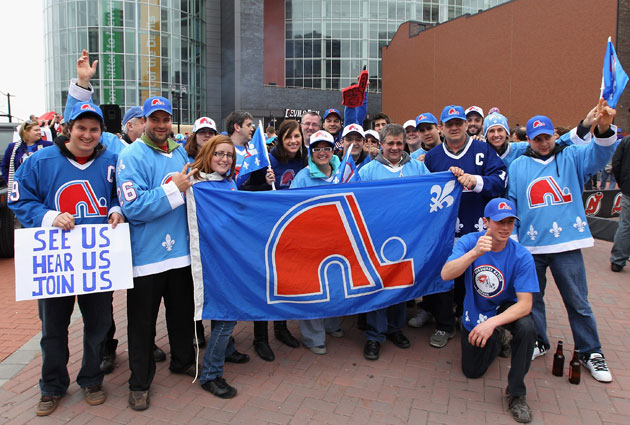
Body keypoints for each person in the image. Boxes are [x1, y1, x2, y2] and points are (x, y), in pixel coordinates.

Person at [9, 102, 123, 416]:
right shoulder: (40, 160)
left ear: (101, 132)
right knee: (53, 328)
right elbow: (18, 197)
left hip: (95, 260)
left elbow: (119, 194)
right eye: (82, 128)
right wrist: (48, 216)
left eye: (94, 129)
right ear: (68, 128)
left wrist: (116, 210)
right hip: (55, 259)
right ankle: (52, 385)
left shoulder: (112, 160)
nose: (87, 135)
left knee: (98, 325)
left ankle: (91, 379)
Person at [507, 102, 616, 383]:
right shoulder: (518, 165)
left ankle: (591, 351)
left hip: (566, 244)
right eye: (537, 138)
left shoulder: (572, 156)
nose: (543, 143)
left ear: (555, 135)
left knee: (577, 301)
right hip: (532, 246)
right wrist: (515, 238)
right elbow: (513, 202)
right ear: (528, 139)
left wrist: (602, 127)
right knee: (533, 299)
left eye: (547, 137)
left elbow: (601, 152)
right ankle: (539, 340)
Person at [117, 95, 198, 410]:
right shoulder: (131, 155)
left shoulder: (179, 152)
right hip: (147, 256)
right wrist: (173, 189)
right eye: (155, 119)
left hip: (181, 253)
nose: (161, 125)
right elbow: (133, 206)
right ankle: (139, 382)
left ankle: (182, 360)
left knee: (181, 315)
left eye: (166, 119)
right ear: (144, 121)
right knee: (142, 325)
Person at [441, 198, 538, 424]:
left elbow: (525, 304)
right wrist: (474, 254)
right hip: (476, 311)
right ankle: (498, 339)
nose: (505, 228)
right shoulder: (470, 242)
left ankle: (516, 394)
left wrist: (492, 323)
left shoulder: (522, 256)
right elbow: (446, 274)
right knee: (472, 371)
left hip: (505, 310)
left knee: (527, 327)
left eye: (510, 222)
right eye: (499, 222)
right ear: (485, 222)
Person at [420, 105, 507, 349]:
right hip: (445, 232)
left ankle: (477, 323)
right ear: (442, 128)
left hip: (477, 228)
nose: (454, 127)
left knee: (479, 280)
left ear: (466, 125)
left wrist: (476, 180)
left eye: (458, 123)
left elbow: (500, 180)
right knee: (445, 279)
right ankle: (445, 325)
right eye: (449, 124)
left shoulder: (483, 150)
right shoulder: (433, 156)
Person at [358, 124, 430, 360]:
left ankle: (395, 328)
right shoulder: (367, 172)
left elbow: (435, 192)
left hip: (408, 240)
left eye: (400, 143)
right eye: (390, 143)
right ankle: (374, 335)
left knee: (400, 285)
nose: (395, 147)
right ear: (381, 144)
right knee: (378, 287)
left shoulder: (418, 169)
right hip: (377, 240)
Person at [241, 119, 305, 361]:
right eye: (288, 137)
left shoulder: (304, 159)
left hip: (292, 232)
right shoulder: (267, 161)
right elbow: (245, 192)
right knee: (264, 283)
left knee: (286, 282)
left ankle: (281, 328)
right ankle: (260, 338)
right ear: (280, 139)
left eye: (296, 136)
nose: (293, 141)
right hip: (266, 231)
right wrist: (265, 186)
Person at [187, 135, 243, 399]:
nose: (224, 159)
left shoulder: (229, 183)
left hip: (229, 259)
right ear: (208, 154)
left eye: (229, 155)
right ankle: (210, 374)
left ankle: (227, 351)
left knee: (228, 314)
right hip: (210, 263)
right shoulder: (196, 185)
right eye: (219, 154)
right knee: (226, 315)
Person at [290, 130, 345, 354]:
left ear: (333, 150)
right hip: (311, 242)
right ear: (310, 152)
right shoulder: (302, 177)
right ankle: (313, 337)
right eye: (317, 149)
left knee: (336, 285)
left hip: (339, 240)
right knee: (313, 288)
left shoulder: (345, 171)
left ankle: (332, 324)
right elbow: (291, 208)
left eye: (326, 148)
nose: (322, 153)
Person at [1, 119, 52, 188]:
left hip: (42, 186)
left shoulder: (48, 146)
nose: (39, 132)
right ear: (26, 132)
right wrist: (10, 182)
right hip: (21, 187)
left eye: (39, 130)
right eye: (36, 130)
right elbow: (5, 166)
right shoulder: (13, 147)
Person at [610, 134, 630, 272]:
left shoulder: (626, 141)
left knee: (625, 225)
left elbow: (616, 163)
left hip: (628, 187)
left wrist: (621, 181)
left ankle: (618, 260)